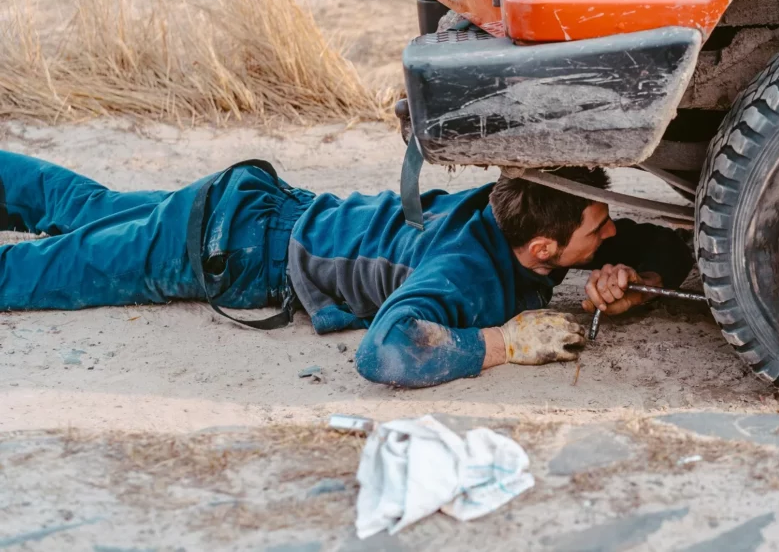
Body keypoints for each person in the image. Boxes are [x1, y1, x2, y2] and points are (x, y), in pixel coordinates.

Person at [0, 151, 692, 387]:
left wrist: (626, 272)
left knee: (81, 207)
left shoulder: (505, 206)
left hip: (259, 208)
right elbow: (384, 351)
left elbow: (664, 247)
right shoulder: (467, 274)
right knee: (46, 270)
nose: (607, 231)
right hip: (230, 247)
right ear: (544, 249)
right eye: (597, 229)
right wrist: (507, 343)